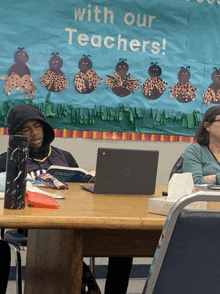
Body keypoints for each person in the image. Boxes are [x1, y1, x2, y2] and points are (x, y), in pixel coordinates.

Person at [0, 103, 132, 294]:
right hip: (33, 225)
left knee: (122, 245)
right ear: (16, 134)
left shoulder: (64, 156)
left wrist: (94, 178)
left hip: (72, 221)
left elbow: (79, 192)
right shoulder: (7, 160)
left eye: (37, 126)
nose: (34, 132)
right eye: (25, 129)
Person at [183, 105, 220, 184]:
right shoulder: (194, 151)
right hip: (207, 196)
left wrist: (213, 178)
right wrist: (218, 178)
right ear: (207, 126)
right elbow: (195, 183)